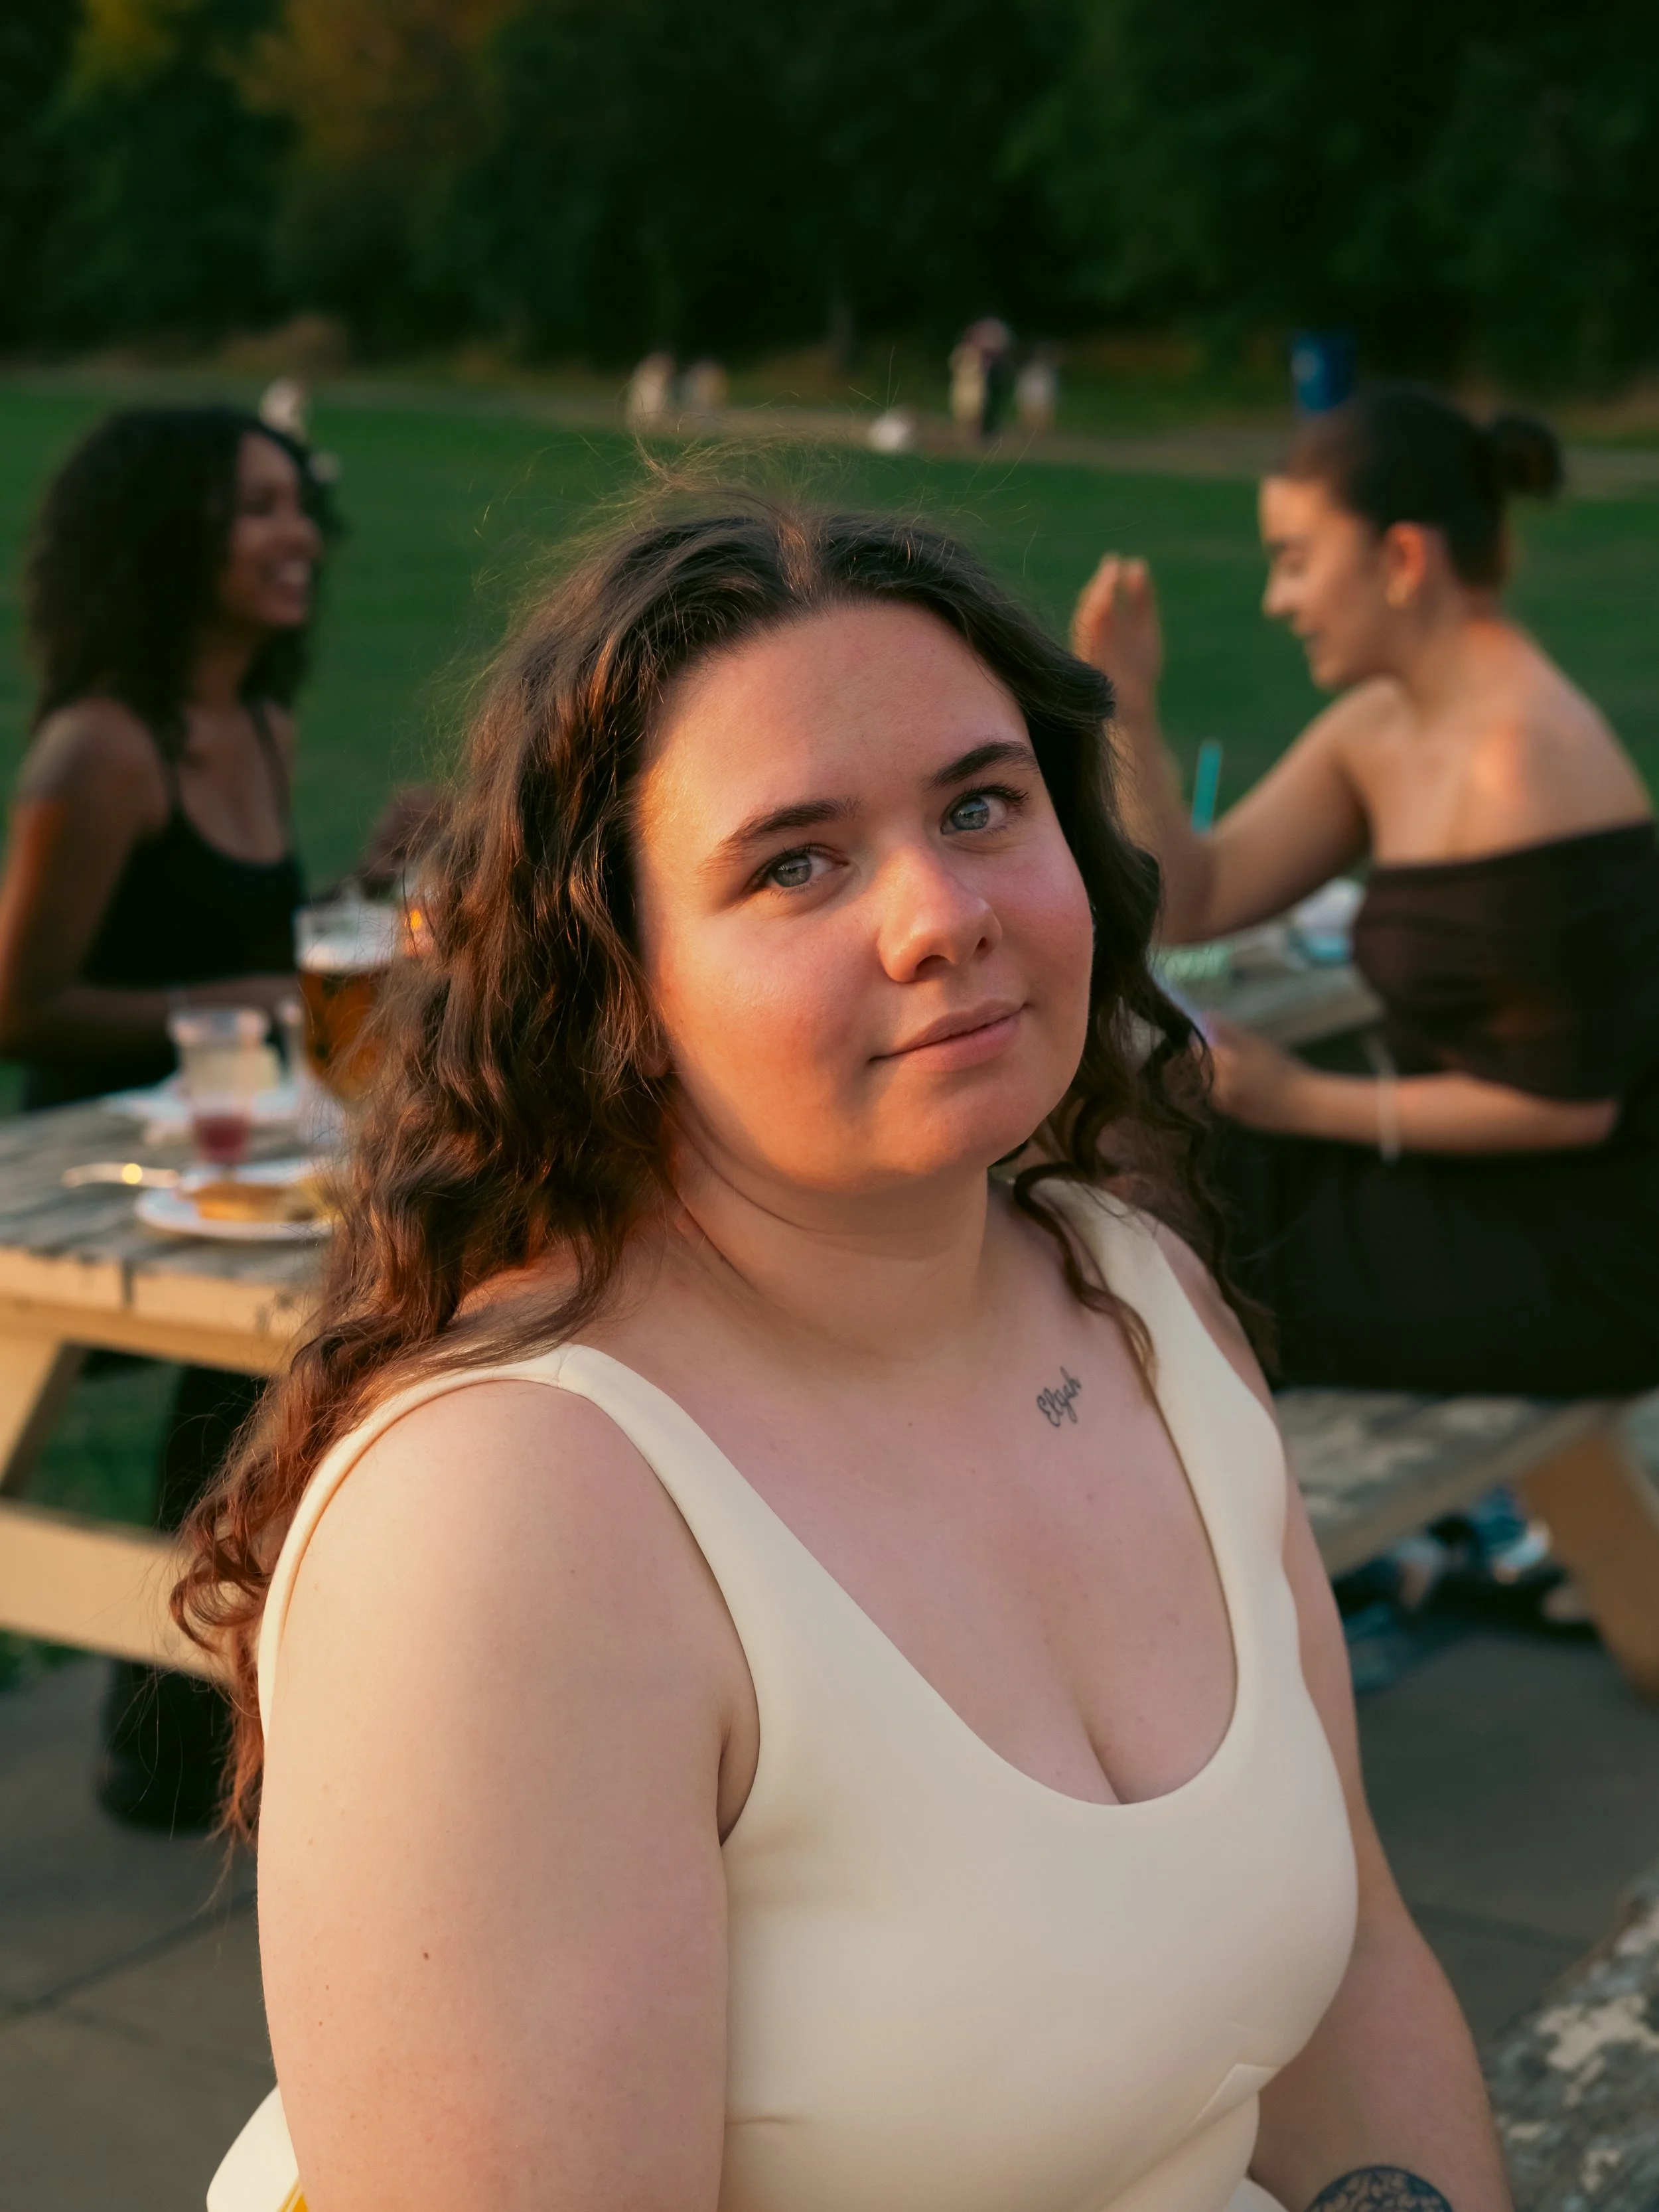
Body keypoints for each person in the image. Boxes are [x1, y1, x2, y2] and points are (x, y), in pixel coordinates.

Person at [186, 502, 1506, 2212]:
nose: (940, 911)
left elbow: (1357, 1997)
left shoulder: (1143, 1307)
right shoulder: (511, 1519)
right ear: (620, 985)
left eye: (979, 803)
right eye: (795, 862)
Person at [1073, 384, 1659, 1396]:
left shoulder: (1527, 764)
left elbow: (1574, 1112)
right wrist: (1129, 709)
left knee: (1161, 1215)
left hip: (1579, 1241)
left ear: (1400, 559)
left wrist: (1307, 1098)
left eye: (1296, 560)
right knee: (1122, 1129)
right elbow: (1194, 897)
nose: (1277, 599)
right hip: (1455, 1187)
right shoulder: (1380, 730)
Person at [0, 404, 333, 1828]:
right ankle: (171, 1739)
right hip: (94, 1177)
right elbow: (20, 1006)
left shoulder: (259, 721)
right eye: (253, 506)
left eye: (298, 501)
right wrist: (242, 995)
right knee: (268, 1360)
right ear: (165, 537)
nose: (295, 530)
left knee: (326, 1339)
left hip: (237, 1160)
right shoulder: (102, 750)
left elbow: (272, 947)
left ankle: (208, 1727)